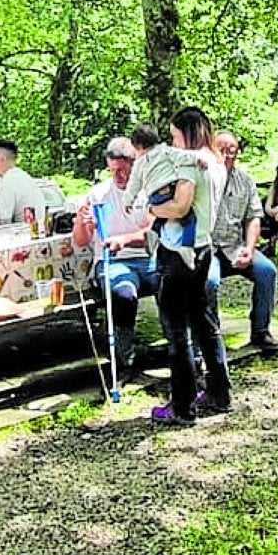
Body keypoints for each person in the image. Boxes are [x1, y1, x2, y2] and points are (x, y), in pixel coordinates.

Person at [128, 125, 227, 426]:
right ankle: (219, 393)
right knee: (204, 322)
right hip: (202, 248)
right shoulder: (209, 163)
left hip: (180, 253)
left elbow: (179, 207)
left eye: (175, 136)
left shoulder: (187, 168)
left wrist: (149, 206)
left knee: (177, 332)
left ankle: (182, 406)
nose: (171, 143)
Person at [71, 137, 152, 370]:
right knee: (123, 294)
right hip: (112, 260)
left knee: (172, 284)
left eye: (124, 170)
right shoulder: (98, 194)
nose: (119, 176)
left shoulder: (146, 192)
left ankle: (182, 346)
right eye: (113, 170)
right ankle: (124, 356)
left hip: (147, 258)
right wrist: (81, 223)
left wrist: (124, 240)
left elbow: (152, 232)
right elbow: (81, 240)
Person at [210, 129, 278, 352]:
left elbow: (253, 218)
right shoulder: (201, 179)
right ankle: (211, 336)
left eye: (232, 150)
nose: (228, 155)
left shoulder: (246, 181)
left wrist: (250, 248)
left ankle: (261, 331)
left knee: (267, 271)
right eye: (222, 150)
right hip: (207, 248)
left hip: (234, 245)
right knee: (208, 282)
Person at [0, 139, 45, 225]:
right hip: (36, 231)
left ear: (2, 158)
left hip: (22, 235)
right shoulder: (25, 177)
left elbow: (2, 224)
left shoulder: (7, 183)